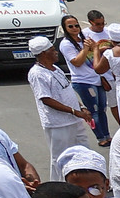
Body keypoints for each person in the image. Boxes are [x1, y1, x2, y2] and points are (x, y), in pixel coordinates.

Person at [29, 35, 97, 163]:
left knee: (85, 153)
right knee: (61, 158)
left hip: (75, 120)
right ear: (43, 53)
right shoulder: (37, 73)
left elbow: (67, 90)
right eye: (52, 50)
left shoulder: (57, 69)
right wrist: (74, 111)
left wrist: (81, 107)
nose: (56, 52)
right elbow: (46, 99)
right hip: (59, 124)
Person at [61, 12, 114, 145]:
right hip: (83, 81)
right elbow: (77, 62)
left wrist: (97, 48)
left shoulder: (85, 38)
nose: (74, 28)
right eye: (70, 26)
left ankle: (107, 135)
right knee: (93, 110)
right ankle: (101, 138)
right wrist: (86, 48)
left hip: (96, 78)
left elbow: (96, 54)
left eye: (76, 25)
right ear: (65, 29)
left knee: (102, 109)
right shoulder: (66, 44)